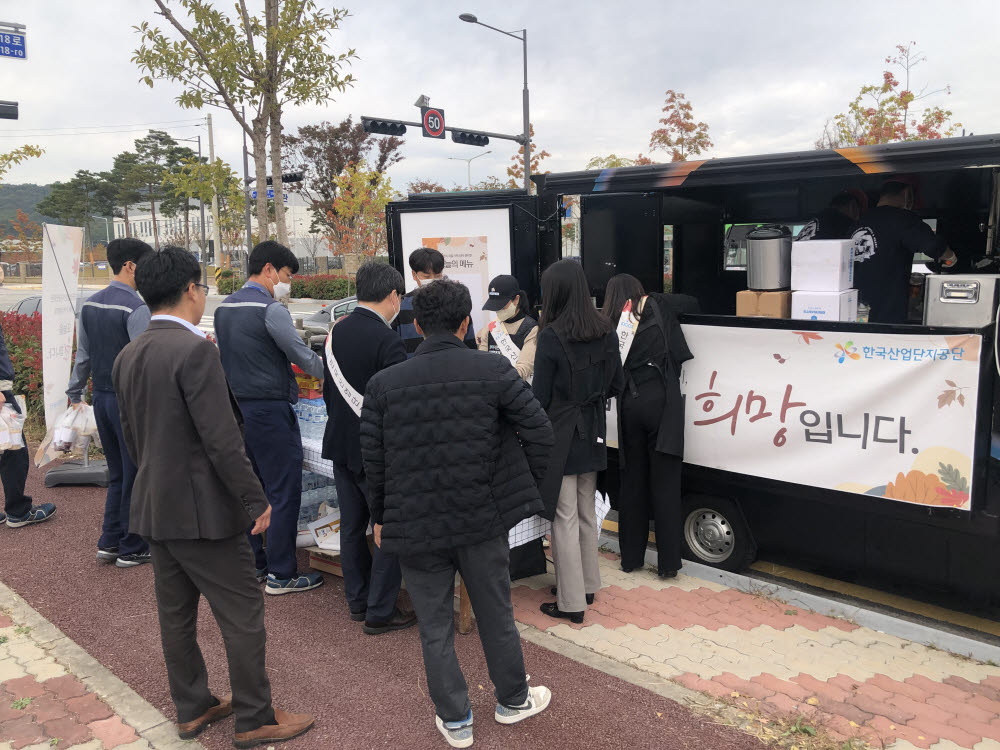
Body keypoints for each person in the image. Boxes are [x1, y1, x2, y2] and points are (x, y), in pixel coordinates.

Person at [113, 246, 314, 747]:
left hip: (154, 504)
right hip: (204, 511)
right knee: (243, 612)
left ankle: (192, 706)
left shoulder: (130, 352)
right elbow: (222, 440)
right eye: (201, 288)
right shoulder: (195, 351)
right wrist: (256, 500)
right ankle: (255, 717)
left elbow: (131, 438)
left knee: (176, 616)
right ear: (190, 290)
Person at [360, 279, 554, 749]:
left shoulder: (385, 384)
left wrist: (380, 515)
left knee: (434, 625)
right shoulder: (493, 371)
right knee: (496, 614)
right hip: (481, 518)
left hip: (414, 522)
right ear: (466, 322)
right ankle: (512, 700)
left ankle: (456, 719)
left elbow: (374, 461)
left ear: (418, 325)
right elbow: (541, 433)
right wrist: (516, 488)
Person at [214, 241, 325, 595]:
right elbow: (301, 355)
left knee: (252, 488)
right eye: (287, 275)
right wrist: (333, 371)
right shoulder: (270, 309)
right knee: (282, 489)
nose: (287, 283)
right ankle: (282, 573)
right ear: (269, 270)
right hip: (270, 410)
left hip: (236, 410)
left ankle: (256, 565)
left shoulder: (223, 308)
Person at [321, 261, 416, 634]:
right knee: (388, 526)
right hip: (375, 451)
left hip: (340, 443)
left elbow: (332, 394)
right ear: (393, 296)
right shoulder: (386, 340)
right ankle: (380, 611)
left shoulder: (336, 332)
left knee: (352, 526)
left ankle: (358, 601)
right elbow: (394, 404)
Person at [533, 259, 624, 625]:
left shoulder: (551, 336)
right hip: (595, 427)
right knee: (587, 511)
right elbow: (617, 384)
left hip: (561, 432)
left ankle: (571, 603)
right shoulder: (606, 330)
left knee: (564, 516)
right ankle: (587, 584)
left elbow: (538, 396)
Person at [66, 237, 153, 567]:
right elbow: (143, 362)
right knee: (136, 474)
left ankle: (109, 541)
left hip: (101, 397)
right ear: (131, 266)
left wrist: (74, 393)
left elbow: (83, 357)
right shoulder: (135, 308)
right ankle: (132, 547)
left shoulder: (90, 304)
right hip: (128, 402)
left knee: (118, 473)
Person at [603, 274, 697, 578]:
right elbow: (692, 303)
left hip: (630, 403)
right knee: (665, 485)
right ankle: (669, 565)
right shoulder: (658, 306)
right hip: (663, 404)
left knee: (632, 482)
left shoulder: (612, 323)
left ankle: (631, 559)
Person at [852, 180, 958, 324]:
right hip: (886, 310)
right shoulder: (902, 218)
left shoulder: (858, 221)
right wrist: (951, 257)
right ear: (907, 194)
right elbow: (932, 245)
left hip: (854, 307)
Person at [393, 247, 476, 358]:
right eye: (426, 276)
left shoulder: (457, 301)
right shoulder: (401, 306)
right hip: (414, 371)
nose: (432, 280)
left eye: (437, 276)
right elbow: (396, 349)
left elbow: (470, 346)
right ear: (414, 274)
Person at [476, 274, 538, 381]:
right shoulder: (490, 328)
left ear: (516, 299)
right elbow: (481, 363)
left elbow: (523, 370)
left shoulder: (532, 330)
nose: (498, 310)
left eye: (502, 305)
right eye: (495, 306)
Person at [796, 189, 867, 241]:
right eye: (859, 210)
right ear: (853, 206)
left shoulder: (819, 218)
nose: (858, 216)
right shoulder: (842, 222)